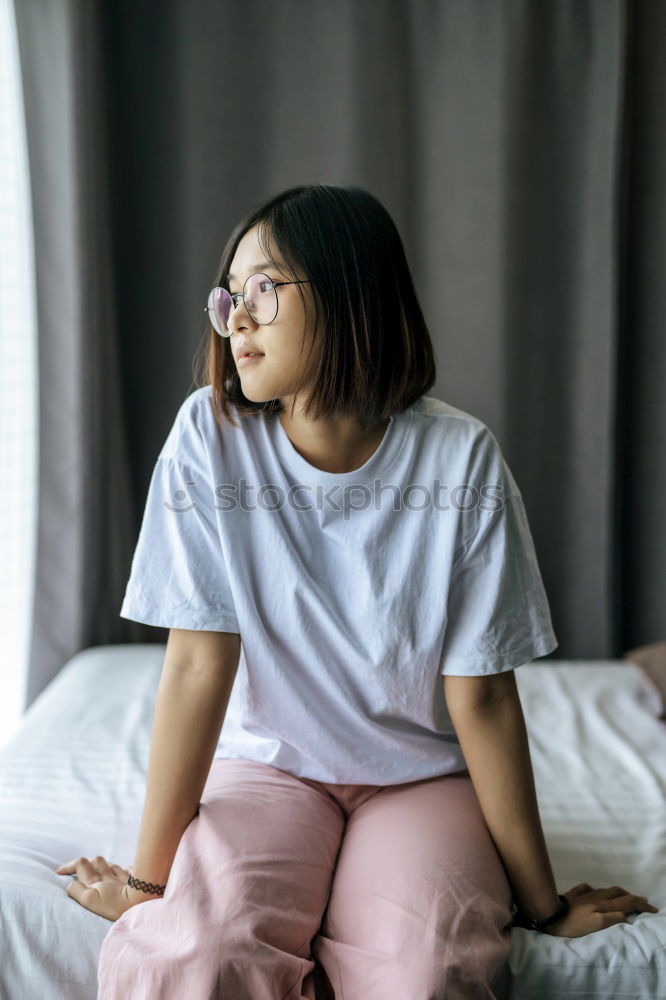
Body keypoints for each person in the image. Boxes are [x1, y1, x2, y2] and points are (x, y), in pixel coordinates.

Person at [55, 184, 659, 1000]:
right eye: (228, 296)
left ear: (350, 293)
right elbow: (198, 666)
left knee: (429, 968)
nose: (236, 317)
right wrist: (149, 888)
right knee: (203, 953)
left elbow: (480, 699)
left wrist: (542, 904)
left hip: (416, 778)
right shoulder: (209, 437)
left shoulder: (460, 458)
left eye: (264, 289)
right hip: (270, 769)